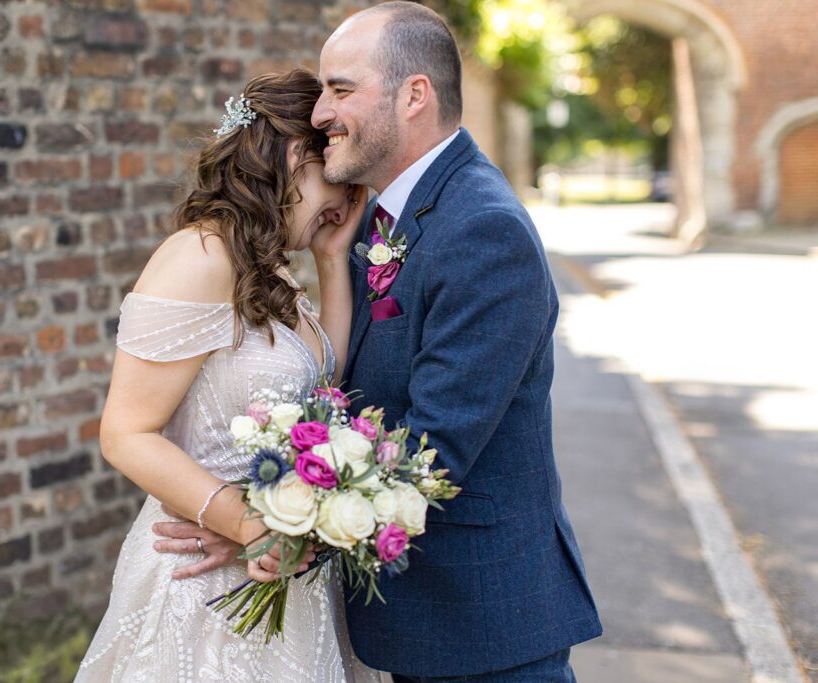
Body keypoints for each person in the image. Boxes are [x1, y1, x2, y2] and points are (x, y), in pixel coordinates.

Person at [308, 3, 604, 681]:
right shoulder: (387, 214)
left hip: (483, 626)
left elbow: (430, 447)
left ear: (415, 95)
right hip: (422, 618)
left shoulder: (483, 229)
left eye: (340, 89)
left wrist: (268, 526)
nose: (321, 112)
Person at [74, 69, 381, 682]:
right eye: (339, 180)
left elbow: (323, 391)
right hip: (205, 579)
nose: (349, 201)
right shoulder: (200, 256)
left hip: (282, 568)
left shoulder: (267, 266)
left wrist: (330, 259)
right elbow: (126, 432)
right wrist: (251, 526)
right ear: (297, 154)